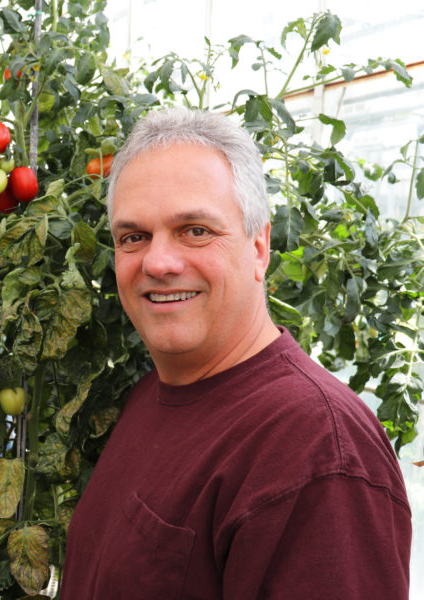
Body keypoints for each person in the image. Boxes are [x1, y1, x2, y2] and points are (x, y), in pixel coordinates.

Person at [59, 108, 411, 598]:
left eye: (195, 230)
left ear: (259, 247)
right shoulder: (158, 390)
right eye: (133, 237)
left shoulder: (314, 451)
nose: (158, 262)